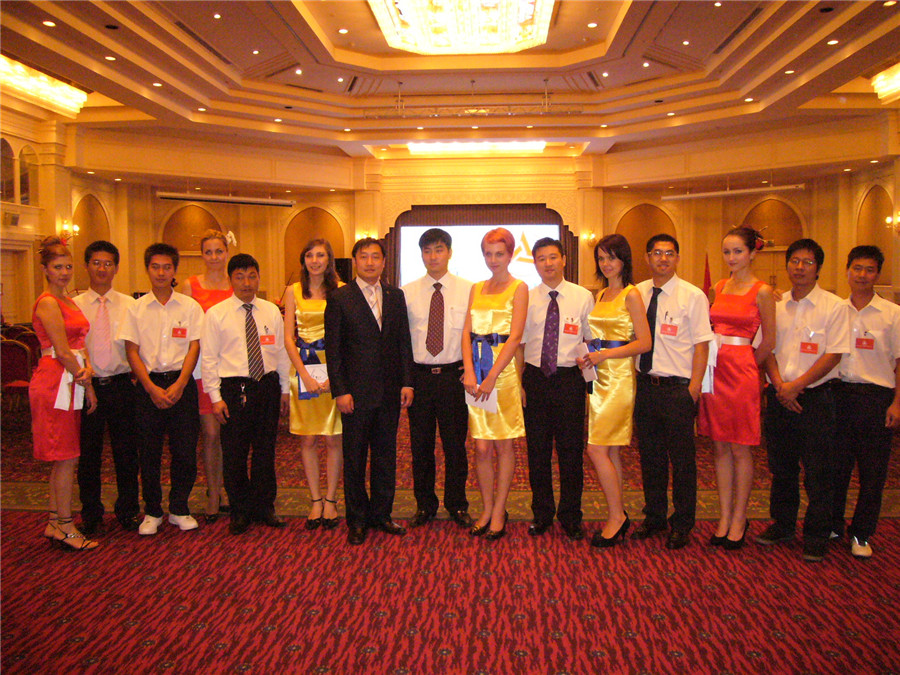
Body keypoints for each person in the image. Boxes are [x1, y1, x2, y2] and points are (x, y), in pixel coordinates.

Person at [758, 238, 849, 562]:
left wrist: (795, 386)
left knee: (818, 471)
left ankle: (816, 534)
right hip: (779, 395)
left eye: (807, 262)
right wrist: (780, 385)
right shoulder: (776, 304)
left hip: (816, 398)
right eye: (794, 261)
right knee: (781, 468)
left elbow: (834, 354)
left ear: (818, 268)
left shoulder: (834, 306)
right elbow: (766, 347)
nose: (799, 268)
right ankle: (782, 525)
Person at [324, 237, 414, 545]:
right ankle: (357, 519)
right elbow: (333, 350)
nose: (370, 262)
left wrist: (407, 381)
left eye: (376, 257)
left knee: (386, 456)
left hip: (389, 391)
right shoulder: (340, 298)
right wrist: (340, 390)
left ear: (384, 262)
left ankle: (381, 514)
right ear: (355, 261)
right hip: (355, 394)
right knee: (355, 457)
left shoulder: (395, 295)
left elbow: (403, 342)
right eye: (364, 257)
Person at [631, 234, 713, 550]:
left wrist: (694, 388)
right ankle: (654, 517)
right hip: (646, 387)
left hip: (678, 390)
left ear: (677, 258)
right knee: (650, 458)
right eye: (656, 253)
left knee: (682, 462)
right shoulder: (637, 293)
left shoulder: (692, 296)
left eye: (669, 253)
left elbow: (702, 345)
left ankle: (682, 523)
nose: (663, 258)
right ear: (647, 257)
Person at [697, 227, 775, 550]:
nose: (731, 257)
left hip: (742, 372)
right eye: (727, 252)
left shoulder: (763, 291)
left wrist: (748, 365)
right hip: (715, 370)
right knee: (719, 447)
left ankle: (740, 517)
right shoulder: (718, 286)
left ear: (753, 253)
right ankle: (724, 516)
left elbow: (769, 340)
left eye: (738, 251)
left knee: (741, 447)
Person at [201, 254, 290, 535]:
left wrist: (285, 389)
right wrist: (215, 398)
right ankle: (239, 510)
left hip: (267, 386)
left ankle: (265, 506)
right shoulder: (216, 314)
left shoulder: (271, 311)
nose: (247, 283)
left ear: (259, 278)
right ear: (231, 280)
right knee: (235, 452)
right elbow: (209, 359)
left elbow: (281, 352)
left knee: (265, 451)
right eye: (240, 277)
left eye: (252, 276)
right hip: (233, 389)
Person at [120, 243, 204, 536]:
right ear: (148, 269)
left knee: (185, 451)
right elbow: (132, 351)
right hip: (148, 386)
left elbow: (194, 346)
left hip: (182, 384)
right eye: (155, 267)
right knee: (149, 452)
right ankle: (153, 510)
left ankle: (180, 507)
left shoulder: (190, 307)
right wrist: (150, 387)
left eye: (167, 267)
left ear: (174, 271)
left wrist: (181, 383)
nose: (161, 272)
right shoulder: (136, 308)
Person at [577, 234, 651, 548]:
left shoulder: (631, 294)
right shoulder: (601, 294)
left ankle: (617, 517)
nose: (606, 264)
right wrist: (588, 354)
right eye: (602, 258)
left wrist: (605, 354)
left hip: (618, 379)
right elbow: (597, 336)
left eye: (612, 257)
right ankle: (616, 512)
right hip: (598, 376)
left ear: (624, 260)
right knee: (611, 451)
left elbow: (644, 342)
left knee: (595, 449)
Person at [521, 237, 594, 541]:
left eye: (553, 257)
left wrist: (591, 385)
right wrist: (520, 383)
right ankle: (542, 513)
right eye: (541, 258)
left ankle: (571, 515)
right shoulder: (525, 298)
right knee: (537, 451)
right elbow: (520, 343)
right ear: (535, 263)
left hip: (569, 380)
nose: (548, 263)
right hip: (535, 379)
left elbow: (590, 341)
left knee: (570, 452)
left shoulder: (582, 296)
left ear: (564, 259)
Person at [830, 246, 900, 558]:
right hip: (840, 394)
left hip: (877, 398)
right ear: (847, 271)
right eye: (857, 268)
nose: (862, 275)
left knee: (873, 472)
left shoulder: (892, 314)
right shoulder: (836, 310)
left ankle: (861, 533)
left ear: (877, 274)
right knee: (836, 467)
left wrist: (897, 404)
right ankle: (833, 523)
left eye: (869, 269)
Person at [402, 228, 474, 529]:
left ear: (450, 252)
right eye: (427, 250)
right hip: (419, 379)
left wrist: (472, 369)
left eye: (439, 249)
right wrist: (405, 380)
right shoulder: (406, 293)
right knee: (421, 447)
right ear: (421, 254)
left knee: (455, 445)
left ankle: (457, 503)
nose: (433, 256)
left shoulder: (469, 290)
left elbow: (474, 335)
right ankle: (425, 505)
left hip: (453, 378)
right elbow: (401, 342)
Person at [30, 236, 98, 551]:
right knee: (66, 455)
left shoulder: (69, 300)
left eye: (68, 267)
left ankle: (55, 520)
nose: (64, 272)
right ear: (45, 269)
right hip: (56, 379)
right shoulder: (47, 302)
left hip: (72, 377)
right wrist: (86, 380)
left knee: (66, 455)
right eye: (58, 267)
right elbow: (61, 350)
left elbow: (79, 345)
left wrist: (88, 372)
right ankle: (66, 526)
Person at [462, 228, 528, 541]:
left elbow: (515, 337)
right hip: (477, 374)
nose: (493, 259)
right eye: (488, 253)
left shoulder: (519, 287)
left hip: (503, 374)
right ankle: (487, 508)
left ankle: (500, 510)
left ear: (510, 254)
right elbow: (466, 333)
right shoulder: (476, 288)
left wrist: (491, 378)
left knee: (503, 445)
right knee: (481, 446)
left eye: (499, 253)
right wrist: (470, 372)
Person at [74, 240, 140, 535]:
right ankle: (91, 512)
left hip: (122, 386)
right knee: (88, 454)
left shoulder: (130, 305)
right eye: (96, 263)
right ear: (87, 266)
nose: (102, 269)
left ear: (116, 268)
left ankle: (128, 510)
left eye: (108, 264)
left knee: (126, 453)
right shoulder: (74, 306)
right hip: (86, 388)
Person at [284, 239, 344, 530]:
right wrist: (305, 376)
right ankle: (315, 500)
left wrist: (336, 375)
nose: (315, 260)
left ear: (329, 259)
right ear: (303, 259)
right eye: (309, 255)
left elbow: (346, 337)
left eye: (321, 255)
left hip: (335, 368)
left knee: (333, 438)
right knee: (307, 439)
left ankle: (331, 499)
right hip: (303, 369)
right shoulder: (293, 291)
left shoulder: (342, 290)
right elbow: (288, 338)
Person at [182, 229, 233, 522]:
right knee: (211, 434)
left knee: (230, 434)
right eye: (208, 252)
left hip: (233, 367)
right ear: (202, 255)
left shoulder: (236, 283)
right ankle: (213, 491)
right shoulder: (190, 286)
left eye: (219, 251)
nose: (214, 257)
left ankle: (230, 488)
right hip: (203, 367)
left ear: (227, 253)